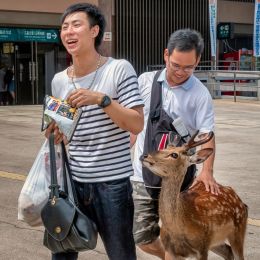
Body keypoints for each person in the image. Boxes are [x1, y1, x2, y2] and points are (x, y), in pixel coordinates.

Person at [45, 3, 144, 260]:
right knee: (62, 253)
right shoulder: (60, 80)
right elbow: (63, 134)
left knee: (121, 254)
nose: (68, 32)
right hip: (72, 183)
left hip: (112, 184)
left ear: (94, 31)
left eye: (76, 25)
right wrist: (55, 133)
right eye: (64, 27)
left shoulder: (119, 69)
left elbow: (136, 123)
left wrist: (103, 100)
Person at [130, 29, 220, 260]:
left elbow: (206, 135)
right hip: (144, 175)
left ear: (197, 61)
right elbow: (135, 123)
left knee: (175, 238)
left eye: (188, 67)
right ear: (166, 55)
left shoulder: (200, 95)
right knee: (143, 238)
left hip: (180, 180)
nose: (181, 72)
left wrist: (207, 172)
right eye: (176, 65)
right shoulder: (145, 82)